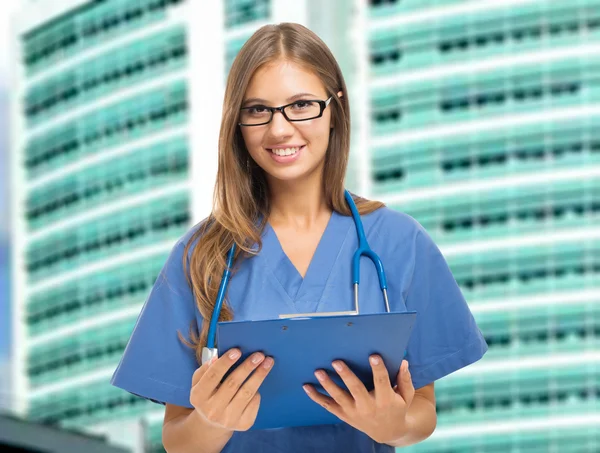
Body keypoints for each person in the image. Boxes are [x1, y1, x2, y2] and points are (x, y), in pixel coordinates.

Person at [111, 22, 488, 453]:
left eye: (302, 105)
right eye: (257, 110)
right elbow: (178, 440)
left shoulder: (399, 242)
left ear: (335, 110)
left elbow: (422, 411)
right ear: (237, 121)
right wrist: (214, 421)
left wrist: (393, 425)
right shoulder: (201, 255)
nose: (279, 130)